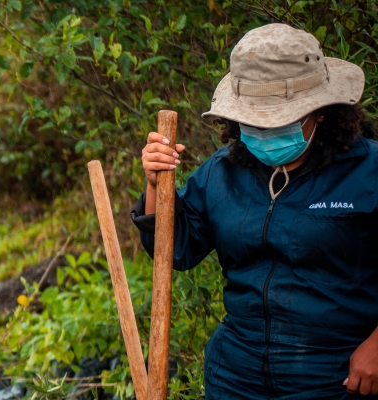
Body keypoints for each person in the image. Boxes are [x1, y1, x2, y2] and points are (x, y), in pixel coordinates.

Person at [133, 23, 378, 398]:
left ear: (321, 112)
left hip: (334, 377)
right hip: (236, 376)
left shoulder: (368, 171)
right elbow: (176, 250)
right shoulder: (224, 170)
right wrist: (155, 185)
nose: (264, 132)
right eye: (253, 121)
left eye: (279, 120)